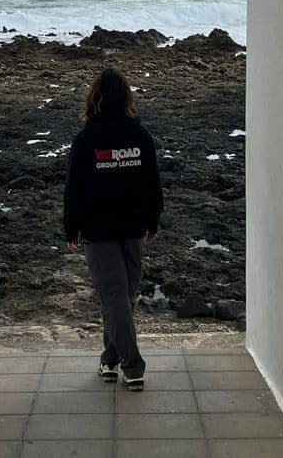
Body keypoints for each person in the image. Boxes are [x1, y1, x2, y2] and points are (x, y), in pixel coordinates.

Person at [63, 67, 163, 391]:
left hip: (108, 227)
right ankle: (133, 366)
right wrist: (152, 220)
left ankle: (110, 359)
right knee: (119, 295)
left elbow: (73, 189)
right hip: (120, 228)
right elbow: (153, 184)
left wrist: (71, 227)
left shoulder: (89, 139)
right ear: (125, 97)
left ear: (96, 98)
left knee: (121, 296)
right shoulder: (138, 136)